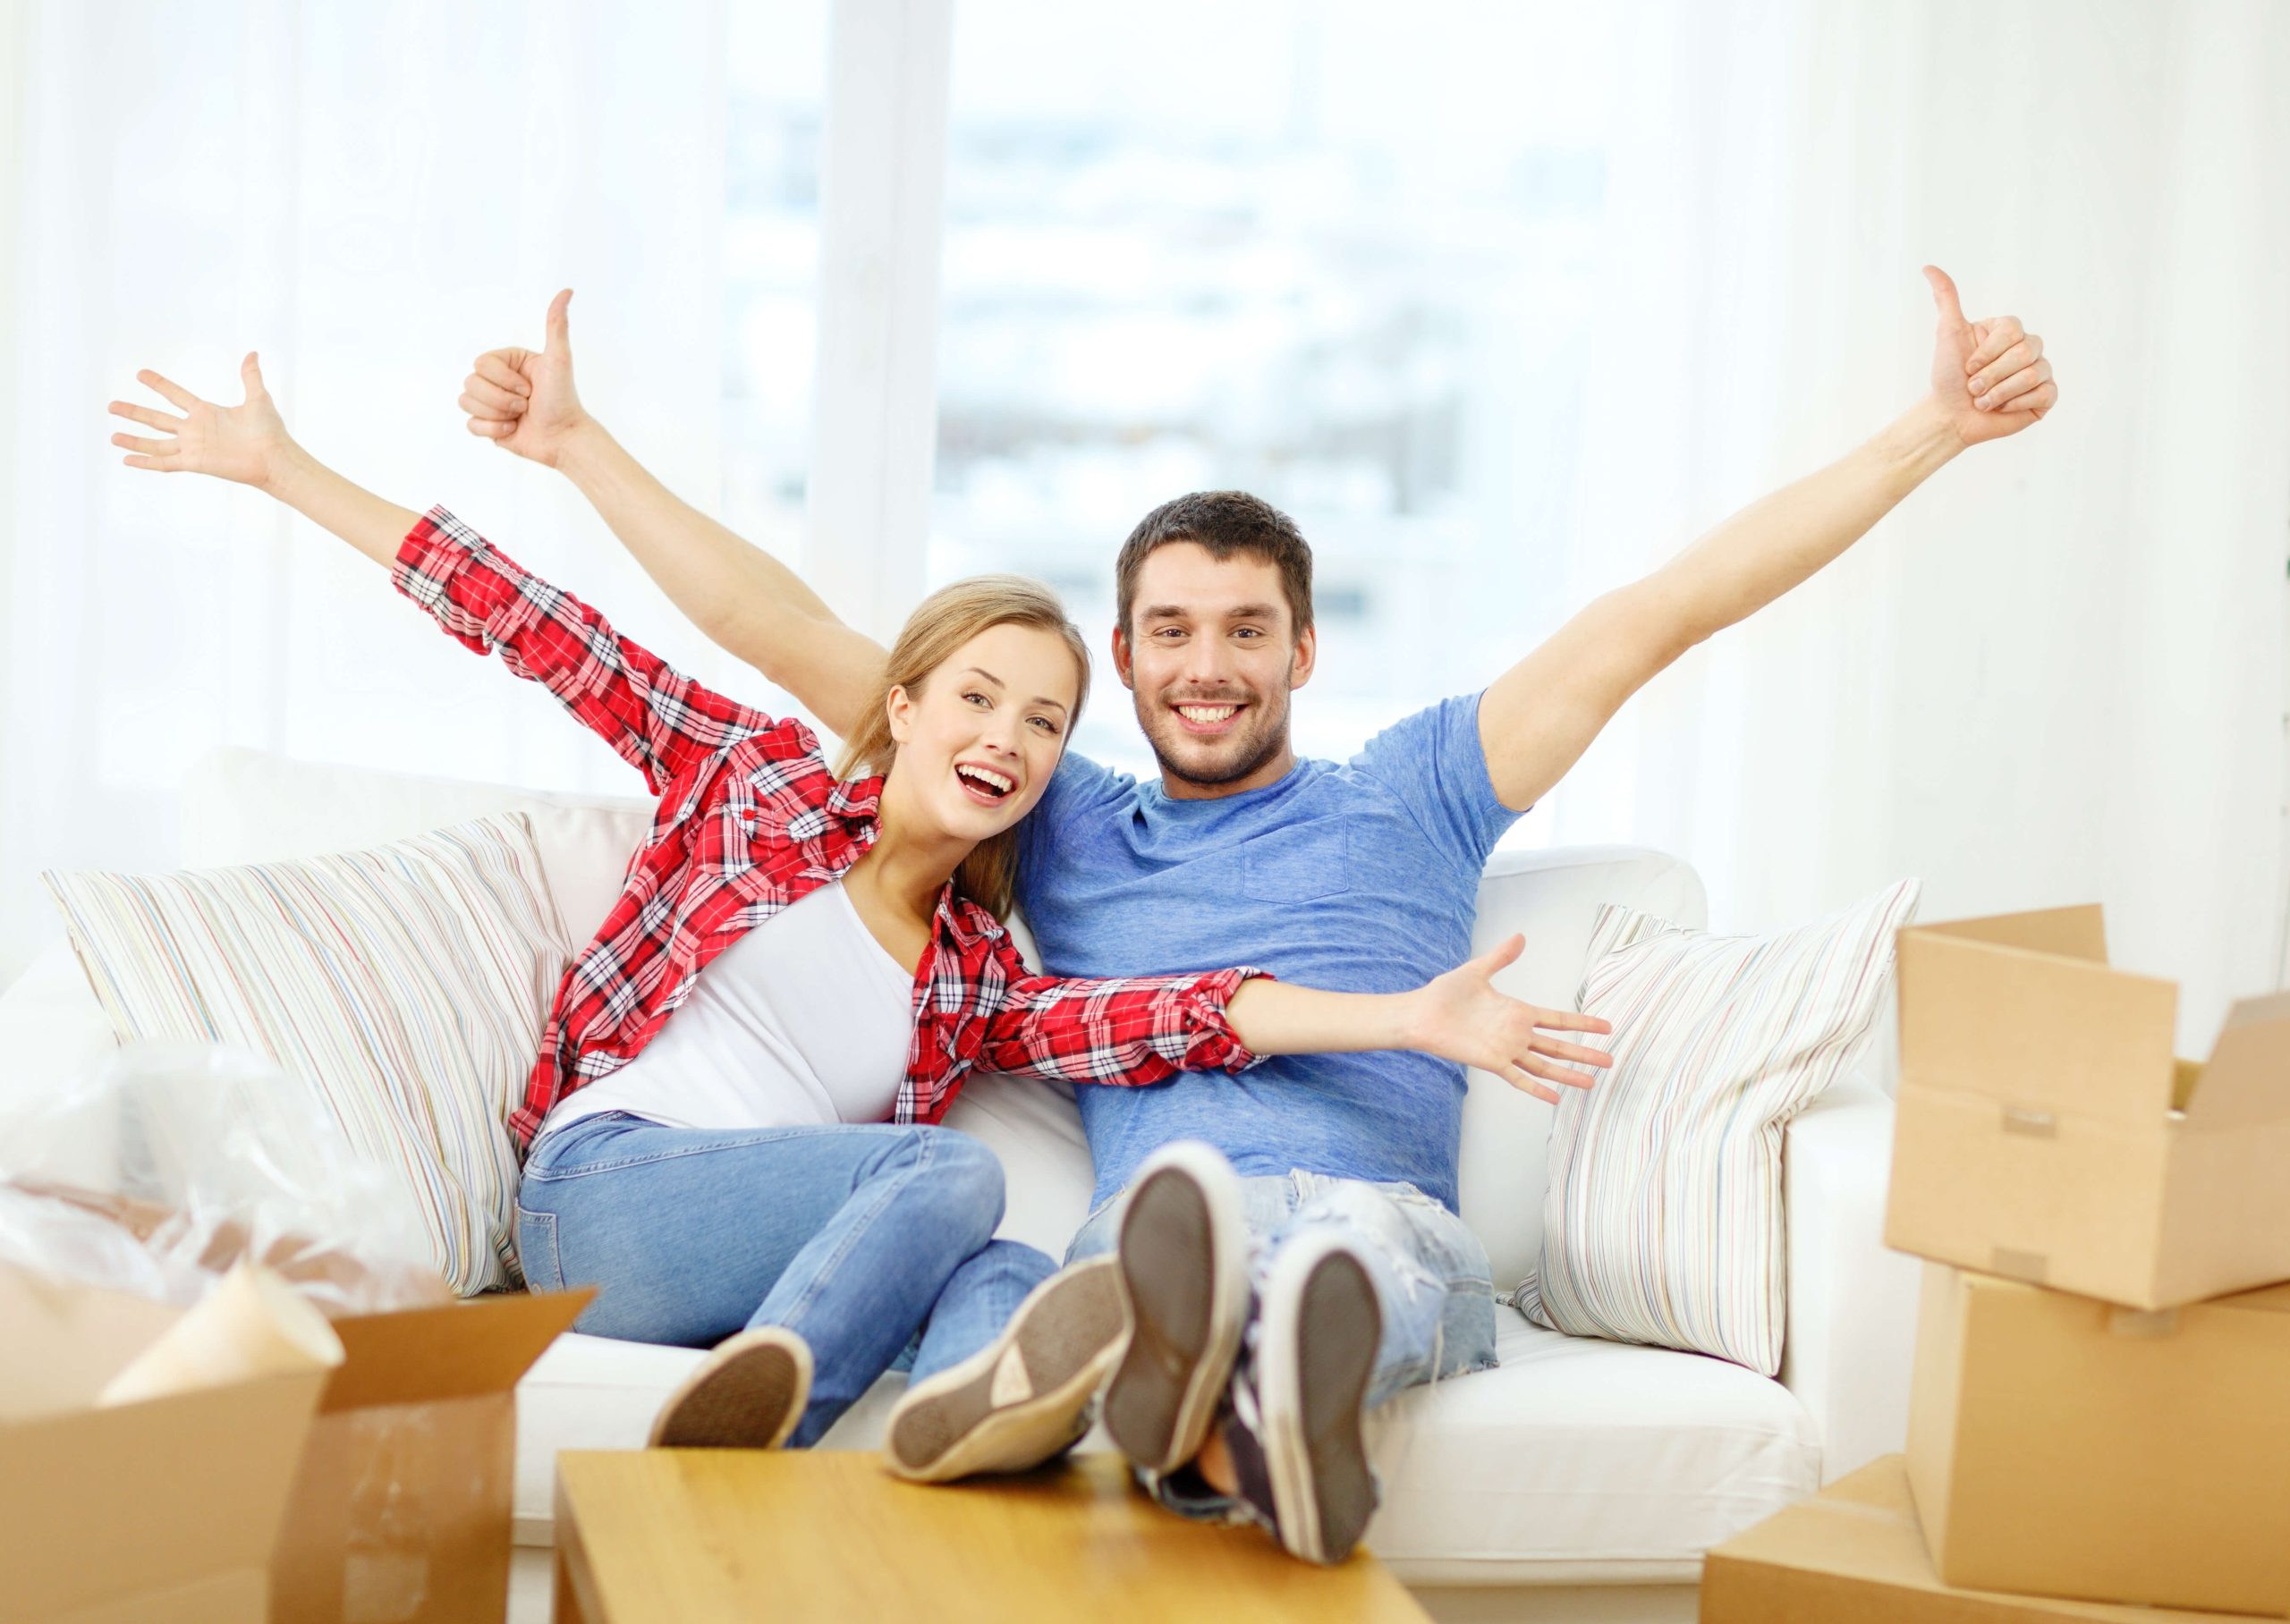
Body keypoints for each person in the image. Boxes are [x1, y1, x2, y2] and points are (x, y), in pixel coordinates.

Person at [453, 266, 2057, 1560]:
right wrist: (579, 450)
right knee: (1014, 1286)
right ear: (1128, 661)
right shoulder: (1062, 814)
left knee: (1343, 1253)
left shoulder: (1420, 789)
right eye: (1166, 631)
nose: (1203, 663)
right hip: (1134, 1250)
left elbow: (1659, 618)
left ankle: (1262, 1399)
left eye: (1242, 628)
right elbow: (783, 628)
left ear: (1302, 652)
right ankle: (1142, 1449)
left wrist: (1926, 433)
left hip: (1362, 1218)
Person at [105, 358, 1614, 1486]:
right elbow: (531, 619)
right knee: (948, 1174)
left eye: (1041, 722)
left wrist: (1413, 1017)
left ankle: (984, 1459)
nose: (1006, 739)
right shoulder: (748, 782)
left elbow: (1197, 1009)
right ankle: (782, 1400)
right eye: (974, 698)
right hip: (607, 1197)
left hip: (777, 1239)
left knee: (1019, 1283)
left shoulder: (976, 977)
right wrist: (287, 466)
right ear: (902, 707)